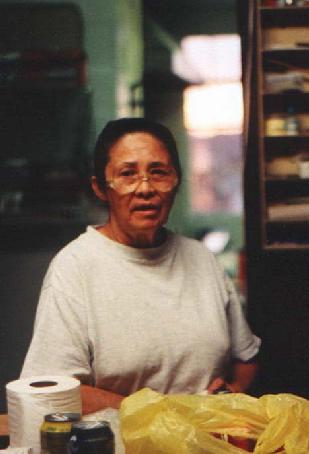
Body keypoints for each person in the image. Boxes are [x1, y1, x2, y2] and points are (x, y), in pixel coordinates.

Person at [21, 118, 261, 414]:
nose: (145, 189)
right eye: (127, 174)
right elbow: (52, 387)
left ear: (176, 181)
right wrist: (161, 413)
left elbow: (246, 357)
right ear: (100, 187)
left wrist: (232, 390)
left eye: (158, 173)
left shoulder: (202, 259)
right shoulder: (74, 268)